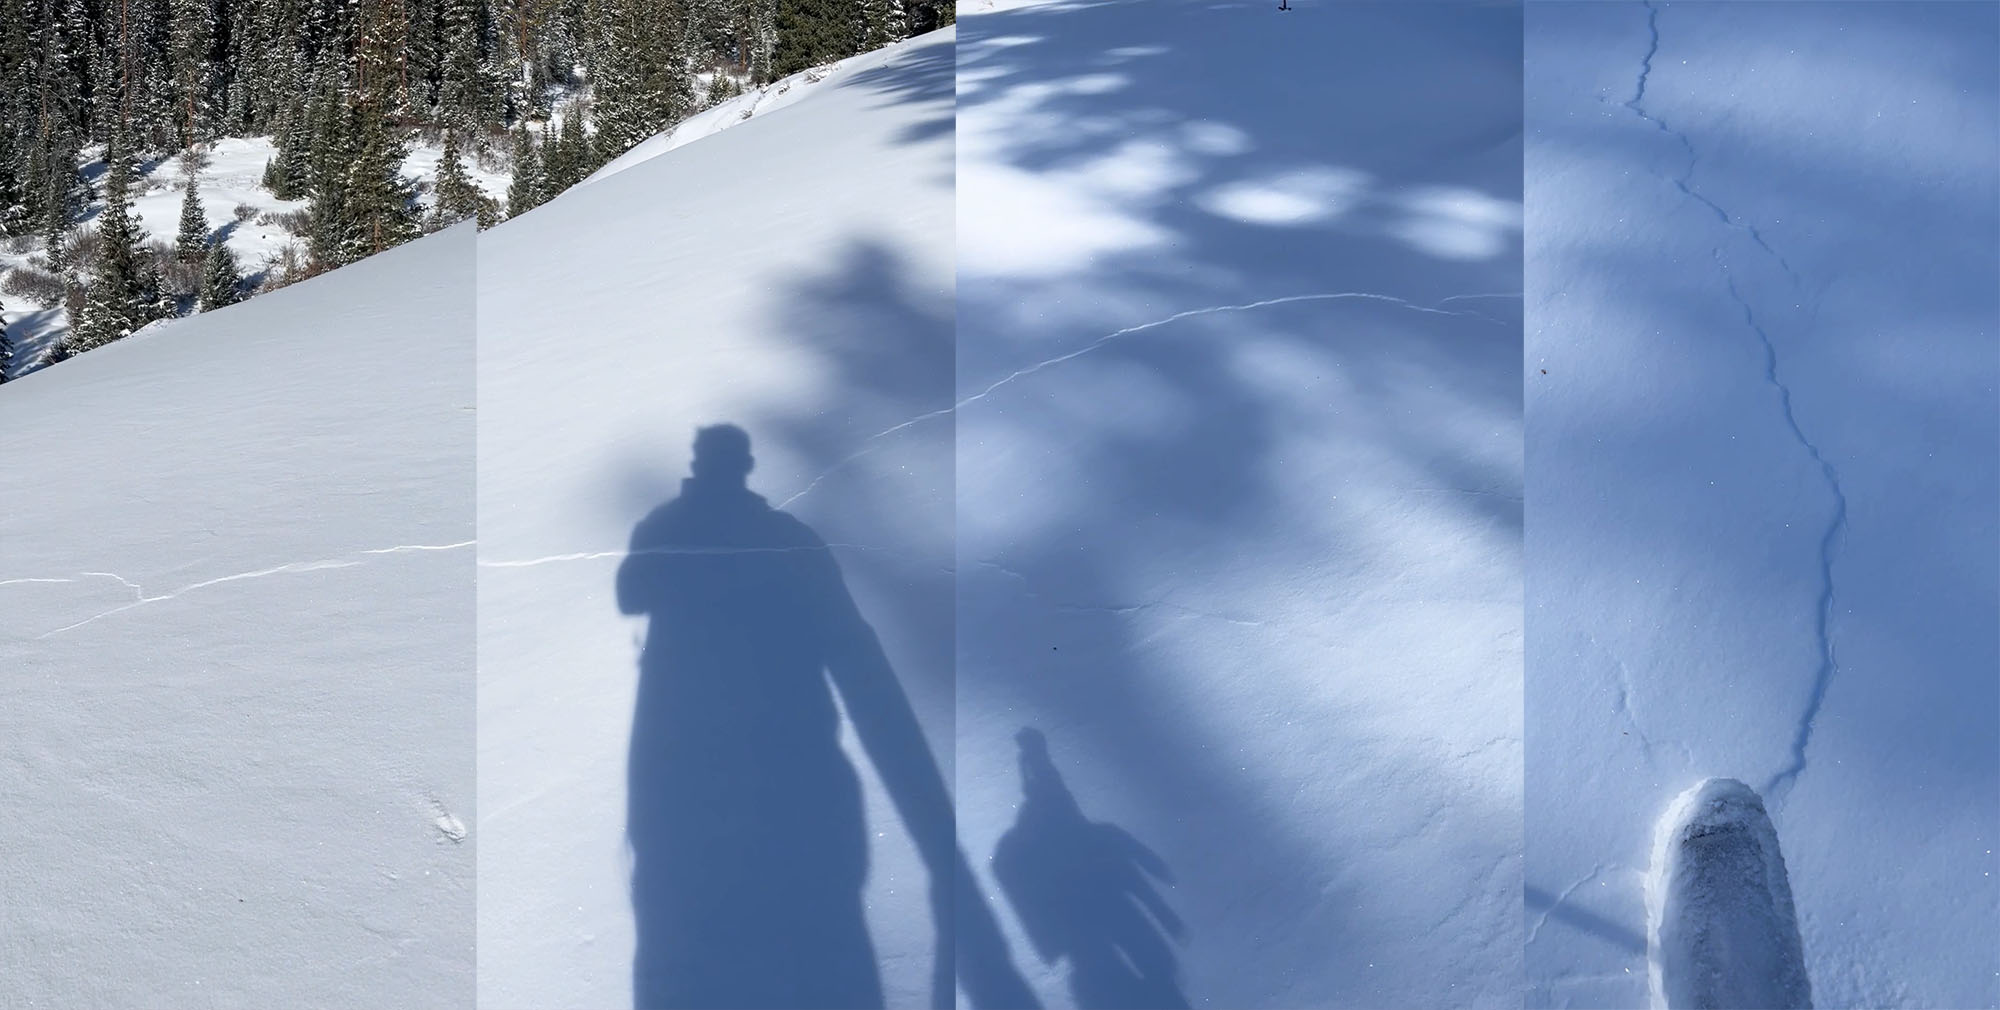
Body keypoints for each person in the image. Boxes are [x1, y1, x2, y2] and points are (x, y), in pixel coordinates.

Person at [616, 424, 1036, 1010]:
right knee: (817, 961)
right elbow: (861, 669)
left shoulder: (664, 533)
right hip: (796, 790)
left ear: (699, 465)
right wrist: (932, 823)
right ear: (745, 466)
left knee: (698, 964)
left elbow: (629, 595)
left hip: (688, 801)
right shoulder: (790, 541)